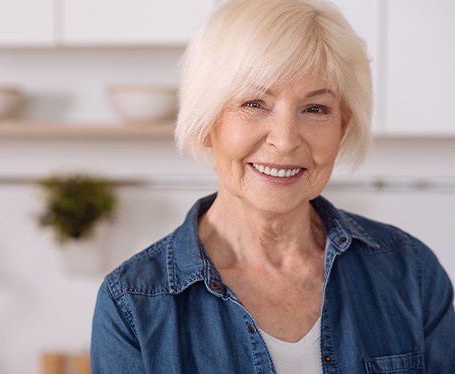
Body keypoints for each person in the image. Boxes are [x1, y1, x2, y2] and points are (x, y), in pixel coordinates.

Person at [91, 0, 455, 372]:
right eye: (254, 103)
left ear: (342, 127)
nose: (284, 140)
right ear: (206, 122)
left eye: (315, 109)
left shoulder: (411, 272)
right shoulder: (132, 304)